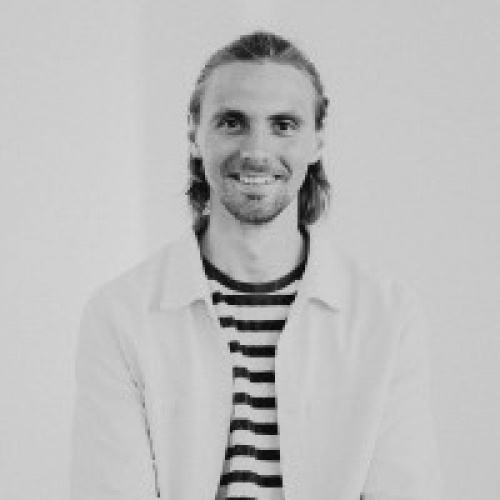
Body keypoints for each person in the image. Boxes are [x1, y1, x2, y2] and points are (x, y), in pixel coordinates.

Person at [70, 31, 443, 500]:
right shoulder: (120, 314)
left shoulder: (388, 316)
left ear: (317, 141)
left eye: (283, 125)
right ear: (194, 134)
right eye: (232, 122)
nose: (256, 151)